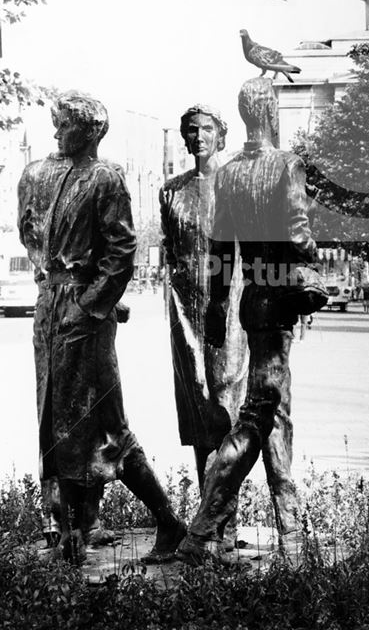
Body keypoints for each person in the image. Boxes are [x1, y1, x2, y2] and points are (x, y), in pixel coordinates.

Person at [18, 91, 185, 565]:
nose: (56, 132)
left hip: (83, 317)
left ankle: (166, 521)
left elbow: (122, 249)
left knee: (102, 426)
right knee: (56, 419)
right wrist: (47, 280)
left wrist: (91, 305)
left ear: (90, 130)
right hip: (51, 309)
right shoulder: (48, 176)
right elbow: (30, 233)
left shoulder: (104, 178)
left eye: (64, 124)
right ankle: (74, 535)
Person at [177, 77, 327, 564]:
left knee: (274, 414)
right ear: (271, 112)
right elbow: (300, 235)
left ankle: (290, 536)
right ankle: (204, 531)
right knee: (261, 415)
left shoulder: (229, 174)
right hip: (279, 299)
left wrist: (218, 309)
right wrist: (314, 248)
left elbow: (221, 248)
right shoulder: (287, 165)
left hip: (249, 301)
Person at [159, 105, 248, 496]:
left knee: (228, 403)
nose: (199, 136)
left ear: (220, 135)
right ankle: (203, 511)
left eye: (207, 129)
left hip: (227, 304)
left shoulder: (235, 185)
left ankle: (224, 516)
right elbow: (169, 248)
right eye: (192, 130)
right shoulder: (171, 190)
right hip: (183, 306)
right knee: (195, 403)